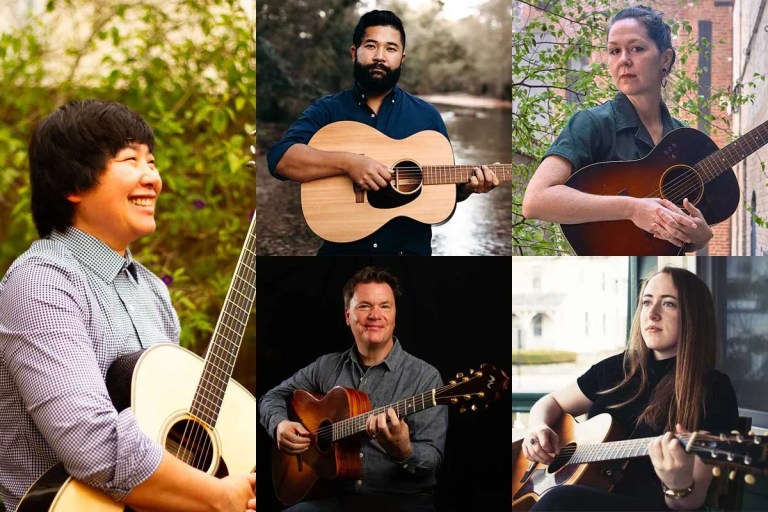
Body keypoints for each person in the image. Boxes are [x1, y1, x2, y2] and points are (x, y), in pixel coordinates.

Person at [0, 100, 255, 512]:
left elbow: (169, 437)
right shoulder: (41, 283)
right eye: (130, 160)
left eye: (151, 162)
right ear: (73, 184)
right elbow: (91, 442)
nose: (152, 178)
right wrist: (219, 497)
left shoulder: (154, 292)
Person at [267, 9, 499, 255]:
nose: (380, 56)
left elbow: (442, 193)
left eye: (390, 48)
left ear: (402, 58)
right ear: (354, 52)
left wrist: (467, 189)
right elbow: (279, 159)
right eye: (371, 46)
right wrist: (349, 163)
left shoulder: (427, 117)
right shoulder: (327, 111)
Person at [522, 266, 738, 511]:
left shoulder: (713, 389)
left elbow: (692, 501)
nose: (652, 314)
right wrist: (537, 427)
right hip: (583, 496)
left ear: (694, 315)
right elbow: (551, 402)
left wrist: (676, 482)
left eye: (669, 304)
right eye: (647, 302)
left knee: (558, 501)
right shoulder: (617, 368)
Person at [522, 5, 714, 252]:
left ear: (665, 58)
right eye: (614, 51)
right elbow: (535, 201)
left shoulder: (682, 138)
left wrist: (700, 237)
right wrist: (631, 208)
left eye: (636, 48)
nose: (624, 60)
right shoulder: (591, 123)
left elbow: (681, 237)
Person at [258, 266, 448, 511]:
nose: (375, 315)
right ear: (348, 315)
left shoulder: (425, 377)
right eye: (364, 306)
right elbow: (272, 397)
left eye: (385, 306)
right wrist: (279, 425)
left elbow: (432, 459)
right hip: (335, 499)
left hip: (402, 501)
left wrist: (404, 451)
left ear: (395, 314)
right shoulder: (326, 366)